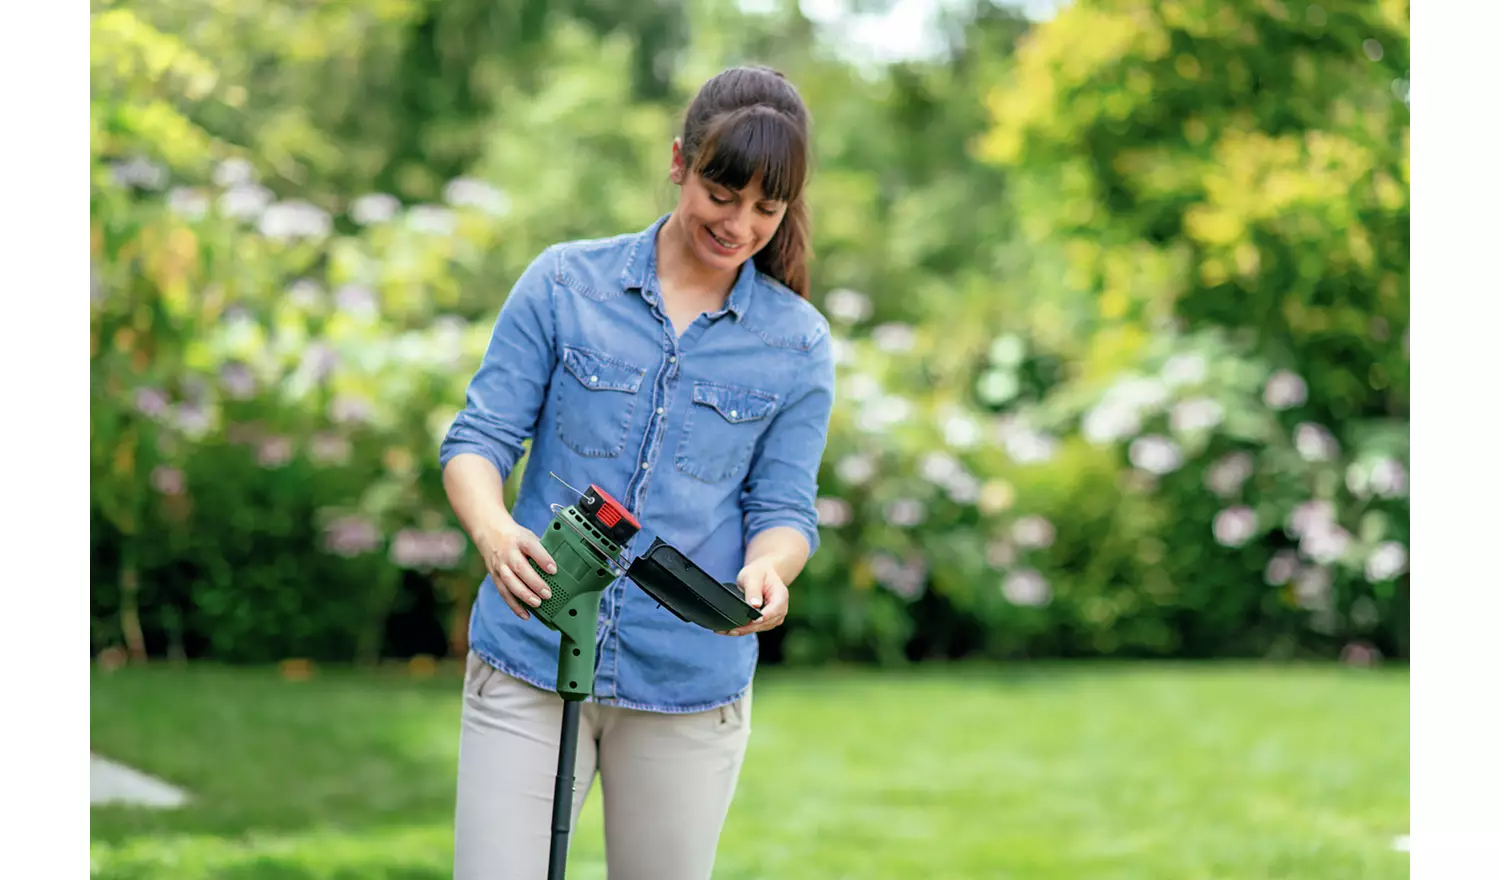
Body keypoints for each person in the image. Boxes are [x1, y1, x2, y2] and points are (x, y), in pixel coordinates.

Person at [438, 65, 835, 880]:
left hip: (689, 684)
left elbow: (785, 506)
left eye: (769, 207)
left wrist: (770, 569)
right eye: (724, 195)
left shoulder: (797, 343)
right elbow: (479, 437)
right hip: (531, 655)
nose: (741, 224)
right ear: (680, 162)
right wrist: (493, 528)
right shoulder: (563, 285)